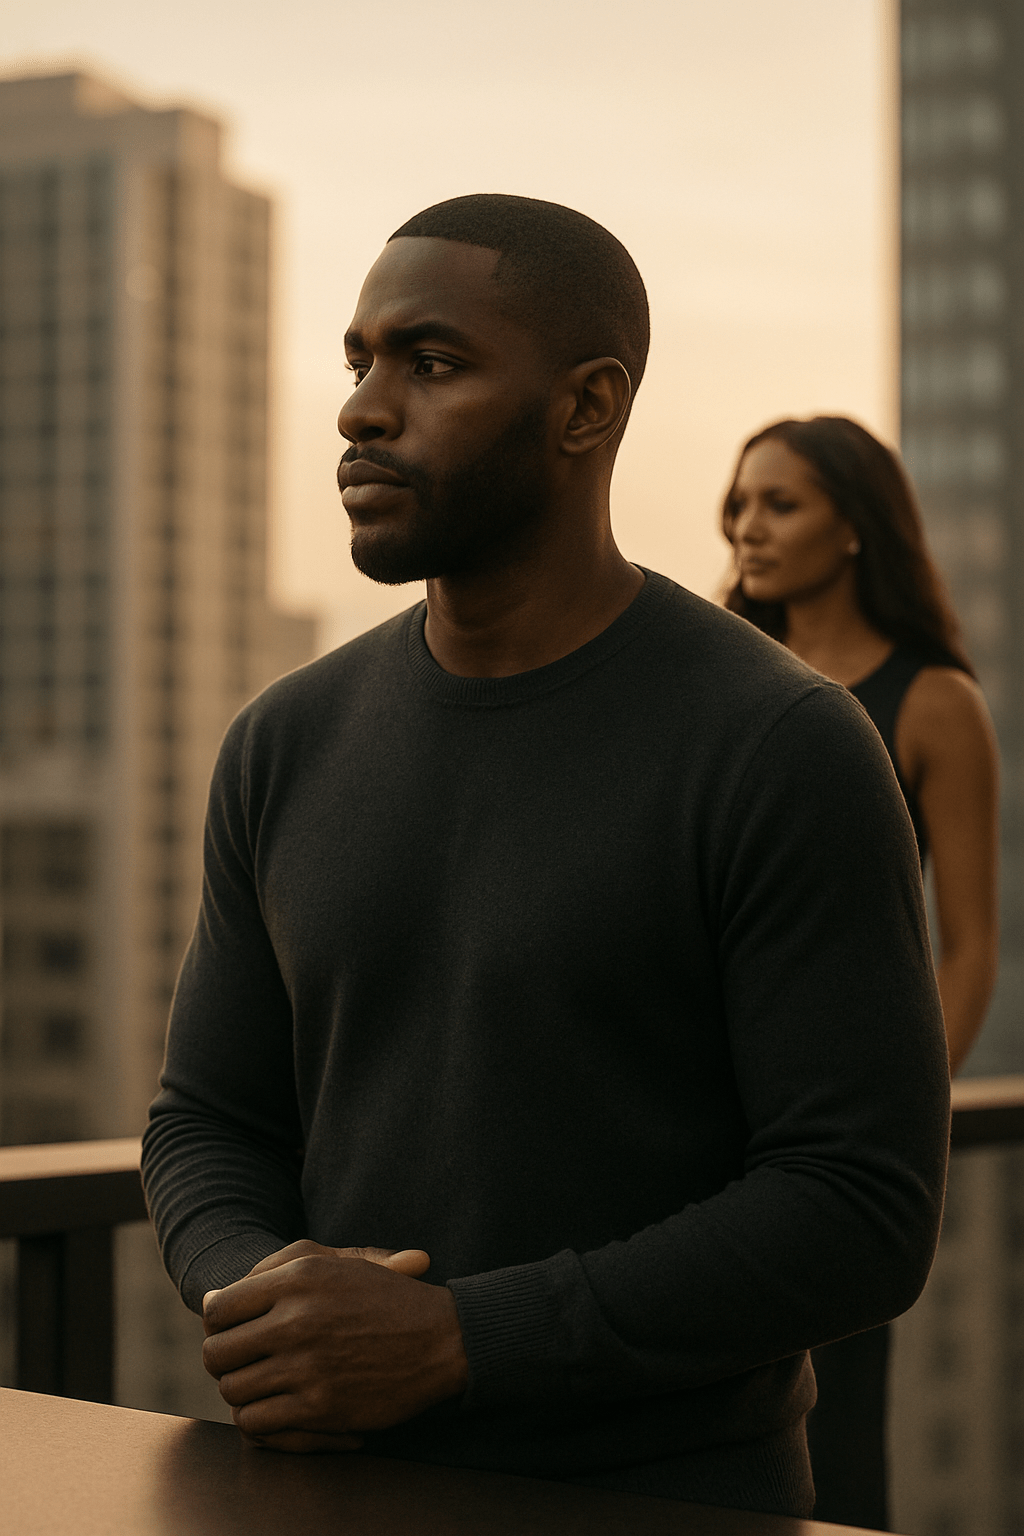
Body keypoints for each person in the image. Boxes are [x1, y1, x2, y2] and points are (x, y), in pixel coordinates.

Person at [141, 196, 950, 1522]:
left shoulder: (781, 744)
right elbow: (206, 1120)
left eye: (433, 362)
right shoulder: (283, 740)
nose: (362, 409)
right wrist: (268, 1296)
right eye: (359, 361)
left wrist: (461, 1340)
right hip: (318, 1495)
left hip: (671, 1504)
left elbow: (858, 1205)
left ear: (587, 409)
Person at [722, 414, 999, 1529]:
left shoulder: (933, 700)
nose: (747, 526)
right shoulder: (714, 678)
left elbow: (969, 946)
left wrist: (893, 1111)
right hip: (696, 1125)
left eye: (778, 504)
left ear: (855, 528)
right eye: (736, 504)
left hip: (830, 1134)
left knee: (828, 1446)